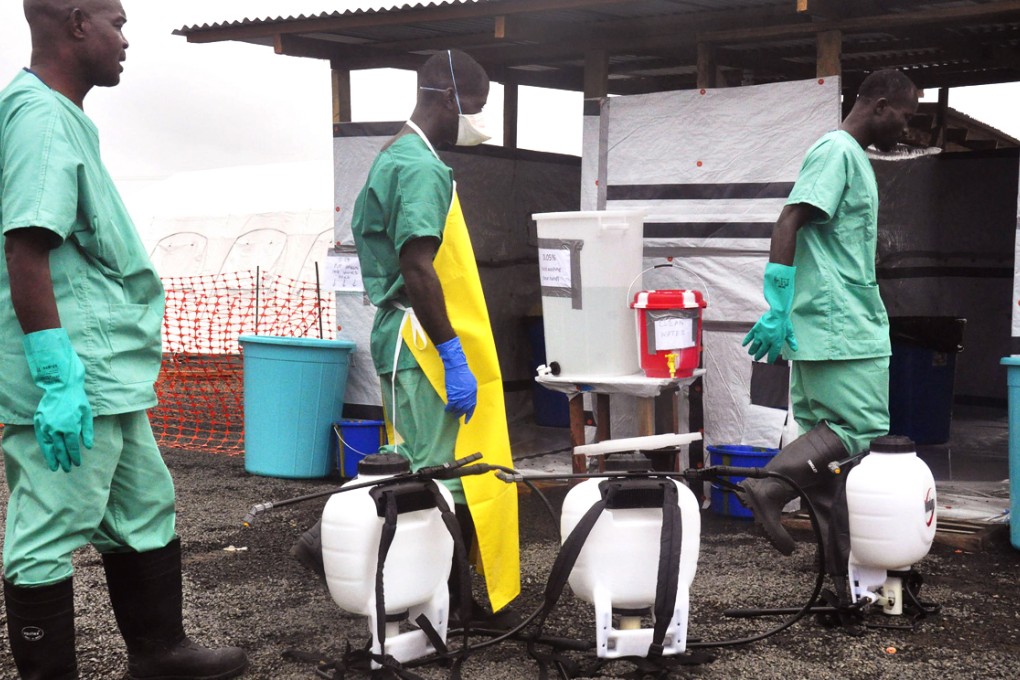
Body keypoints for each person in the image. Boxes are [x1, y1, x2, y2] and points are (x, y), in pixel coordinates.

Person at [0, 1, 248, 678]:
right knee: (50, 525)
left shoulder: (64, 117)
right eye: (117, 21)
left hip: (107, 372)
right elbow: (26, 247)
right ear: (77, 23)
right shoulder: (41, 117)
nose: (125, 38)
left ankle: (159, 652)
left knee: (143, 505)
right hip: (76, 373)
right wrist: (57, 377)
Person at [293, 49, 520, 625]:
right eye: (476, 106)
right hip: (421, 343)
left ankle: (443, 591)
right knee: (437, 476)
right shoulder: (418, 167)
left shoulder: (394, 156)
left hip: (403, 336)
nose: (478, 119)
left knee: (423, 466)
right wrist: (451, 353)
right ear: (447, 97)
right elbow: (419, 268)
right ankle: (440, 595)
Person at [740, 69, 919, 579]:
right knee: (857, 431)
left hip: (830, 322)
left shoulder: (850, 156)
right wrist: (776, 303)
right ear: (881, 105)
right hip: (841, 326)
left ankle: (836, 581)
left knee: (829, 466)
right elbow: (789, 219)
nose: (905, 129)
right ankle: (769, 485)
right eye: (905, 117)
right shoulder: (837, 151)